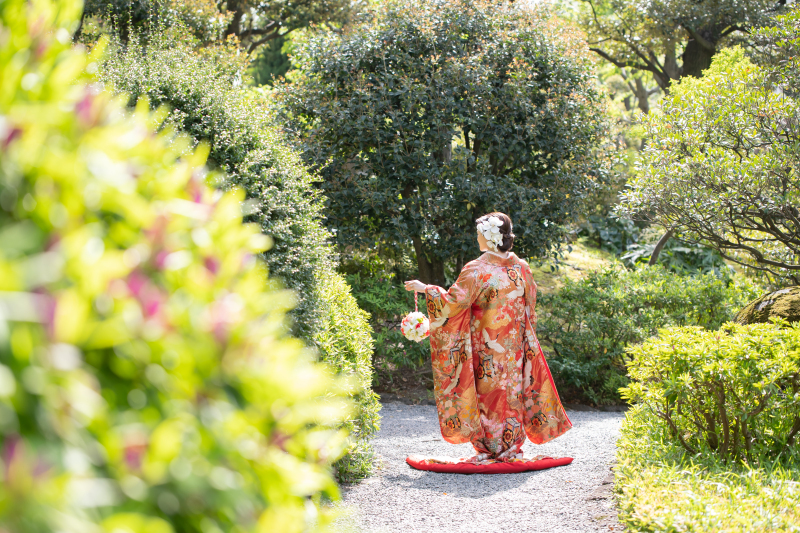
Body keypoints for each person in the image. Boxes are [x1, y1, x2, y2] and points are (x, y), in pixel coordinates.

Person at [404, 213, 571, 462]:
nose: (477, 238)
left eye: (480, 234)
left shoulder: (476, 269)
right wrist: (526, 339)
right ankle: (510, 446)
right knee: (512, 392)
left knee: (488, 393)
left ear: (490, 237)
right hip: (514, 345)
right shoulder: (521, 268)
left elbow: (452, 304)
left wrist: (425, 288)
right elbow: (530, 309)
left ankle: (490, 447)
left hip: (485, 346)